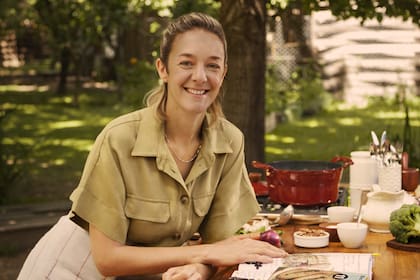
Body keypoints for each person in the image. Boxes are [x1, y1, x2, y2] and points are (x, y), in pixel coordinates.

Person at [18, 12, 287, 280]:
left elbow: (219, 247)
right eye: (186, 63)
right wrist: (200, 256)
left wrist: (199, 268)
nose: (200, 76)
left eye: (213, 65)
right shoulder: (120, 138)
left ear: (224, 72)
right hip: (70, 270)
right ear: (162, 69)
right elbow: (107, 259)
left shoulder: (230, 142)